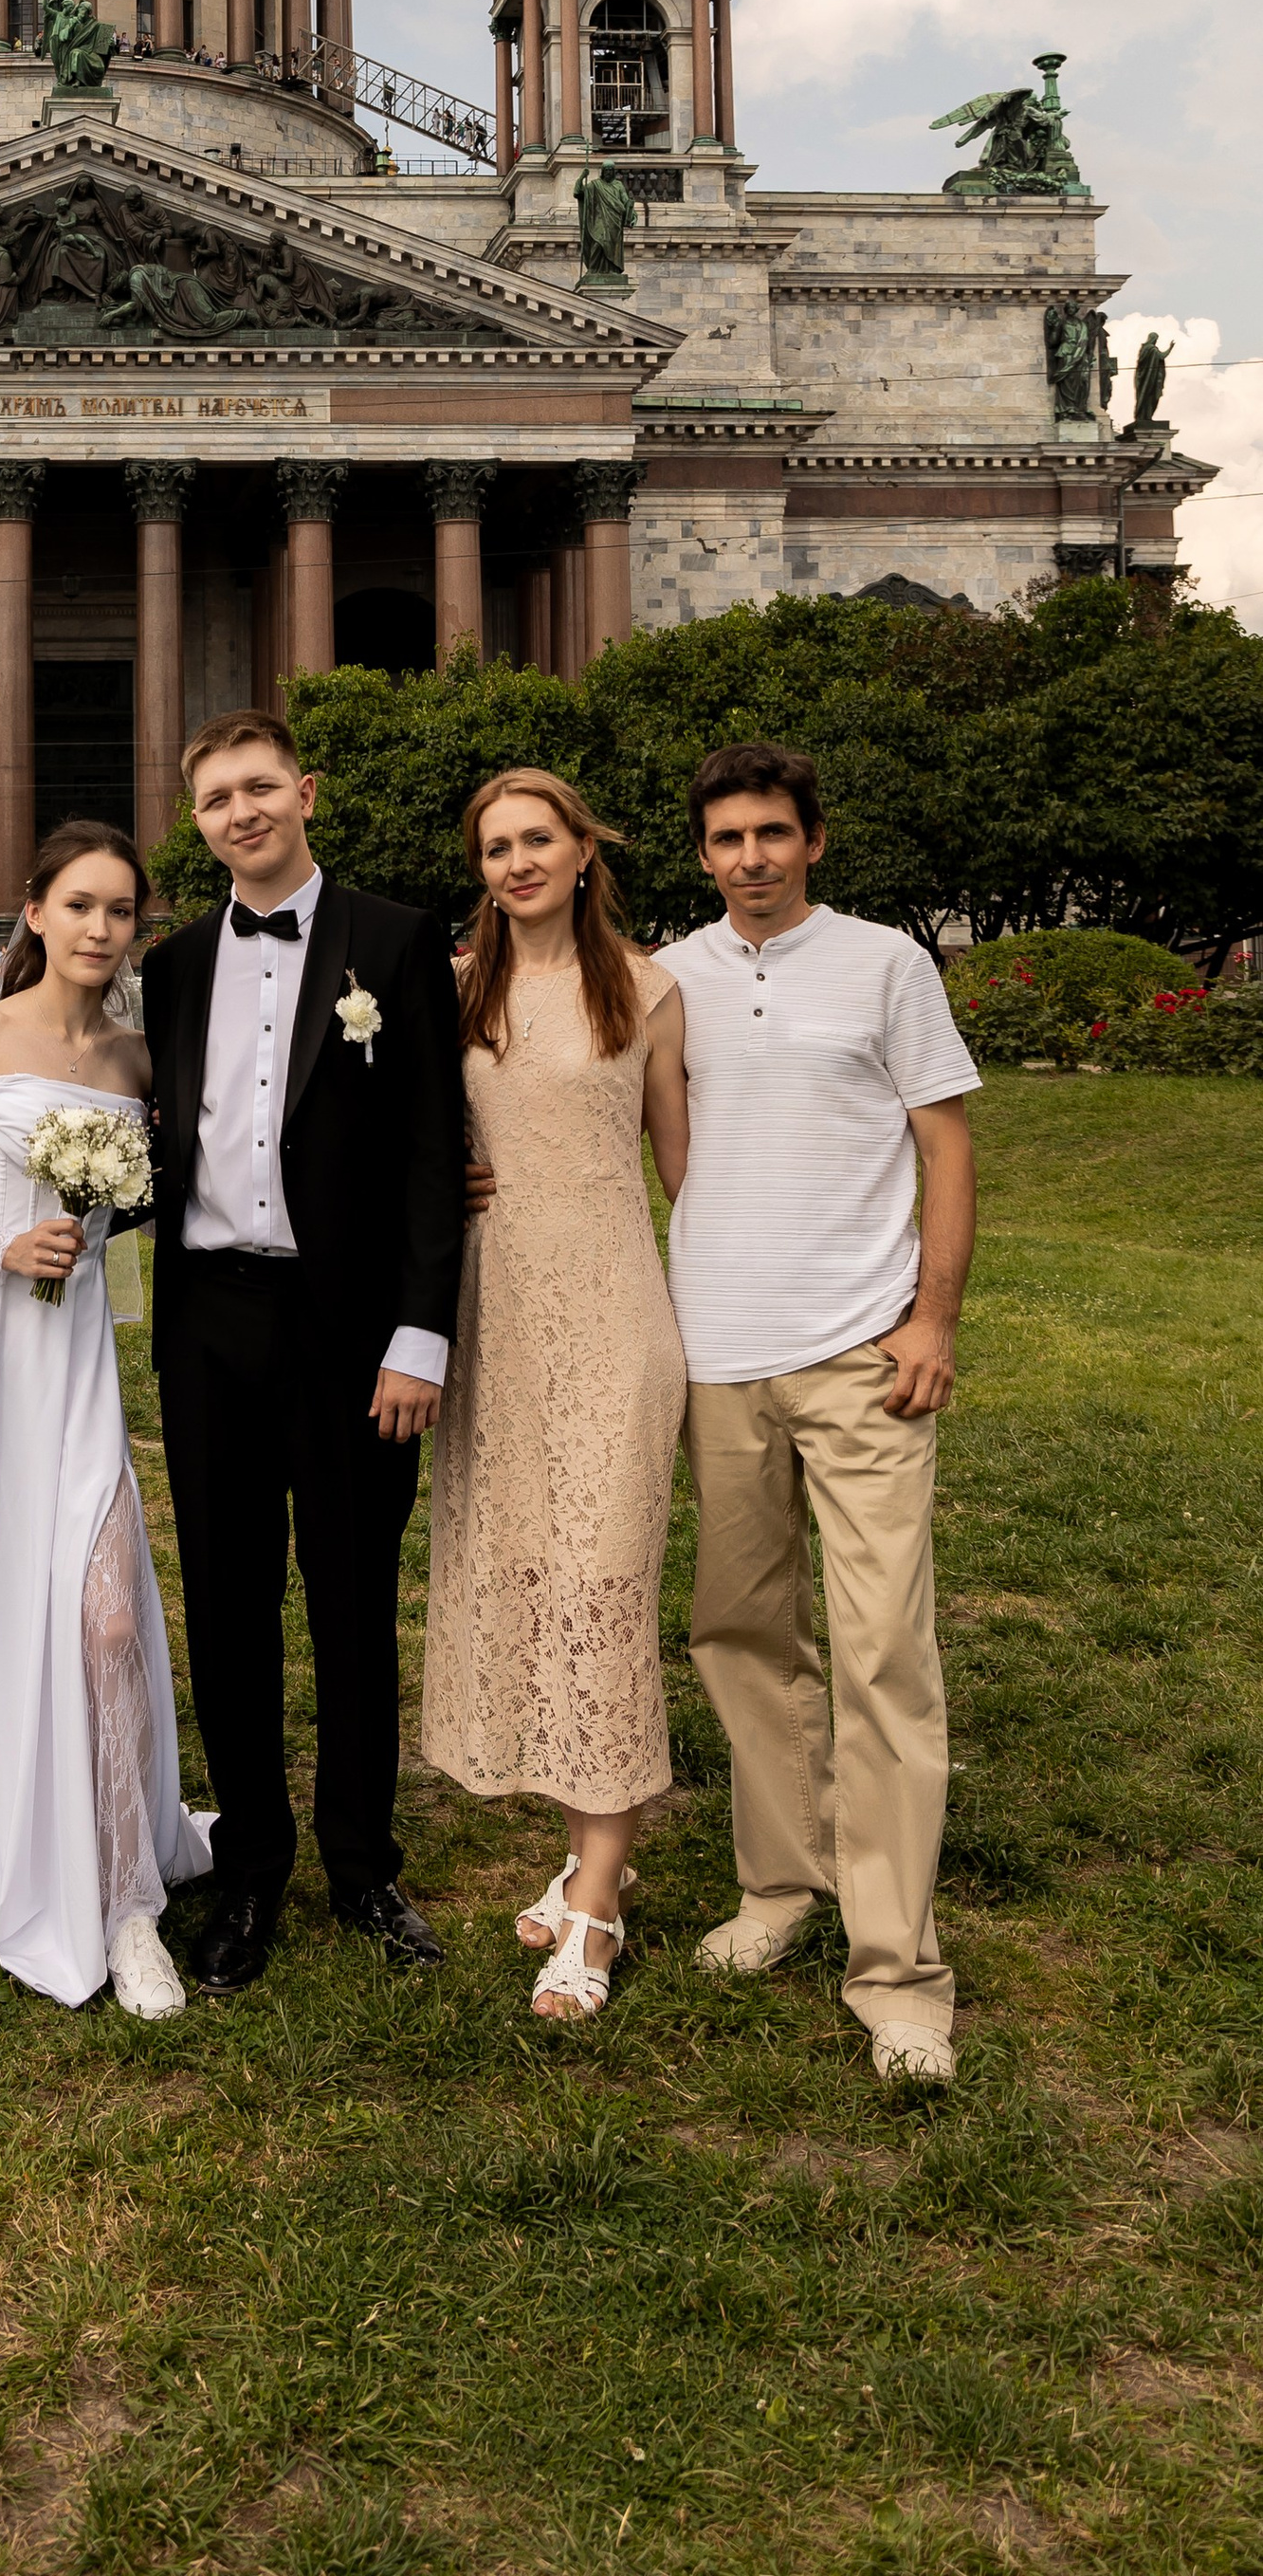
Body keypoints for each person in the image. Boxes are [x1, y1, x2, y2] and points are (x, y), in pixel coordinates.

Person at [668, 743, 979, 2085]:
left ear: (816, 839)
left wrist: (934, 1318)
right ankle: (780, 1889)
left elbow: (947, 1142)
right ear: (702, 854)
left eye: (774, 833)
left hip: (863, 1350)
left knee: (882, 1651)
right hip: (718, 1353)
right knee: (742, 1632)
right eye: (730, 838)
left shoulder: (886, 965)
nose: (753, 856)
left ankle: (899, 1967)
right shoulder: (669, 974)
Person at [0, 822, 210, 2015]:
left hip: (69, 1363)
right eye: (79, 905)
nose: (100, 930)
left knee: (105, 1619)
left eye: (121, 911)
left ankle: (123, 1906)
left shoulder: (134, 1060)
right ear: (35, 909)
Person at [142, 711, 465, 1993]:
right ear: (201, 819)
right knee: (225, 1608)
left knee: (349, 1603)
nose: (241, 811)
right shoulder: (169, 966)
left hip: (351, 1331)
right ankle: (252, 1866)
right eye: (216, 797)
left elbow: (436, 1147)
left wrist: (421, 1331)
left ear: (306, 791)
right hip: (211, 1319)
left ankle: (363, 1861)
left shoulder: (395, 939)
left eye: (260, 786)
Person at [420, 770, 689, 2022]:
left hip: (616, 1314)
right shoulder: (461, 986)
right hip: (499, 1313)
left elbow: (686, 1167)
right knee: (527, 1573)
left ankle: (596, 1904)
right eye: (495, 846)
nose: (517, 861)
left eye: (538, 840)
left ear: (586, 849)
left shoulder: (646, 987)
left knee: (602, 1583)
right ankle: (594, 1845)